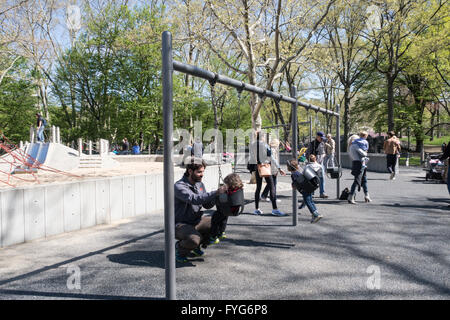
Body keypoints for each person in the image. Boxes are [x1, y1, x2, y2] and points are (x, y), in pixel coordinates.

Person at [174, 157, 227, 263]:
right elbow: (194, 199)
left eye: (203, 172)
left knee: (217, 222)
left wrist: (218, 198)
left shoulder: (199, 184)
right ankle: (180, 249)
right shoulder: (179, 186)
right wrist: (215, 192)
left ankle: (196, 247)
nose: (202, 174)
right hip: (180, 225)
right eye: (199, 172)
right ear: (190, 171)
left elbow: (206, 204)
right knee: (194, 239)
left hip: (196, 221)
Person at [248, 131, 286, 216]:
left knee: (258, 188)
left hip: (257, 167)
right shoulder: (265, 145)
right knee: (272, 186)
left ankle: (257, 209)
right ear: (262, 137)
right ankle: (275, 209)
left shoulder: (252, 145)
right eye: (264, 136)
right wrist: (279, 168)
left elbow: (252, 157)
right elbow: (271, 157)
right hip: (265, 167)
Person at [209, 173, 244, 244]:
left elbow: (223, 199)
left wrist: (221, 192)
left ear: (230, 184)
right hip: (235, 210)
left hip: (228, 209)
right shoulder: (239, 189)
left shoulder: (230, 191)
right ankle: (222, 232)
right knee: (224, 217)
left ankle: (213, 236)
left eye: (226, 184)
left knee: (215, 217)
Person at [287, 158, 323, 223]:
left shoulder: (294, 174)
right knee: (311, 201)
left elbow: (297, 181)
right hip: (309, 188)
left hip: (305, 189)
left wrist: (293, 184)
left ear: (289, 168)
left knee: (307, 201)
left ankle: (315, 214)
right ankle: (316, 213)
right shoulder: (298, 172)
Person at [348, 131, 371, 204]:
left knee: (363, 179)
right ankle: (351, 196)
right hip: (360, 163)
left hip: (356, 162)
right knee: (357, 180)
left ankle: (366, 195)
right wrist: (366, 152)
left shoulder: (351, 146)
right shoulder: (355, 146)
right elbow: (363, 153)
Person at [306, 131, 328, 198]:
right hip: (313, 164)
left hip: (320, 164)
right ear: (317, 136)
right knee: (312, 178)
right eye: (321, 138)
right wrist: (312, 159)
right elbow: (307, 154)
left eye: (322, 138)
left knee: (322, 178)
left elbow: (324, 152)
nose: (322, 139)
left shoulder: (322, 143)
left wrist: (323, 156)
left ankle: (322, 193)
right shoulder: (312, 144)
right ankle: (311, 193)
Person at [261, 138, 282, 204]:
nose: (279, 145)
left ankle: (263, 196)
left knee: (270, 183)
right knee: (273, 184)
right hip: (271, 169)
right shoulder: (273, 150)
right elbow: (273, 161)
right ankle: (273, 198)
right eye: (278, 144)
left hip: (269, 168)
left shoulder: (269, 148)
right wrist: (276, 170)